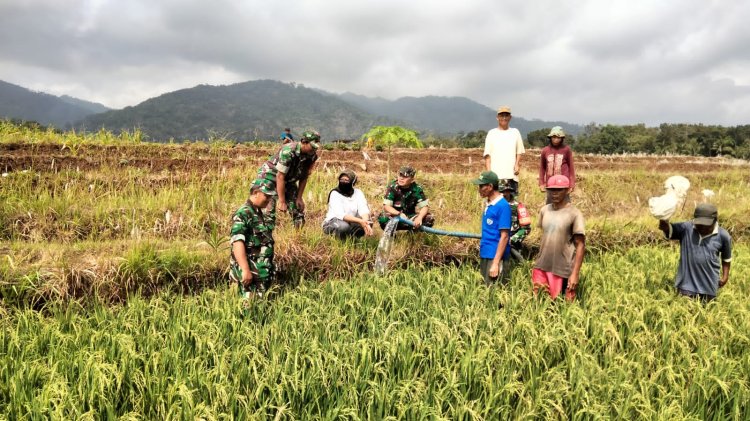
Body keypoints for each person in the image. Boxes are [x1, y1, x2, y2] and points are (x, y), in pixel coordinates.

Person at [658, 203, 732, 302]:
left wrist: (725, 276)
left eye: (705, 225)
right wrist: (664, 224)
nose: (702, 227)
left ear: (715, 221)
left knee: (706, 313)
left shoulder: (723, 235)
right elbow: (670, 230)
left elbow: (726, 258)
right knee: (684, 313)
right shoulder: (686, 228)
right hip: (686, 284)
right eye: (699, 224)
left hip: (709, 285)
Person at [532, 175, 585, 301]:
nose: (554, 193)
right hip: (542, 265)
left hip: (562, 270)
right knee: (539, 304)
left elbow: (581, 245)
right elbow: (545, 237)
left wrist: (575, 274)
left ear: (568, 190)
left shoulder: (574, 213)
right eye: (551, 190)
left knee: (561, 307)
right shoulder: (545, 210)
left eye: (559, 190)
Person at [254, 130, 320, 229]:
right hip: (270, 177)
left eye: (316, 147)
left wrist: (299, 197)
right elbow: (280, 176)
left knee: (297, 210)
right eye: (312, 147)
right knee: (268, 211)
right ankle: (265, 237)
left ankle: (299, 235)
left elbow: (304, 176)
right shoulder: (288, 151)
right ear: (304, 142)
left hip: (289, 180)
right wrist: (282, 201)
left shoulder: (312, 156)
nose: (313, 150)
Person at [229, 182, 277, 299]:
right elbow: (237, 242)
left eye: (270, 197)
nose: (268, 199)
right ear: (256, 193)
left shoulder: (259, 214)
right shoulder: (244, 213)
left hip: (261, 274)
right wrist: (245, 270)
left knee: (260, 313)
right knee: (247, 312)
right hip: (249, 276)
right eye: (266, 196)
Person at [473, 171, 512, 285]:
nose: (479, 189)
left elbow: (504, 237)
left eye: (481, 186)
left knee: (494, 293)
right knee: (485, 289)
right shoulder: (489, 203)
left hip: (494, 256)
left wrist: (495, 263)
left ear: (490, 187)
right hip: (486, 253)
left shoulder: (502, 206)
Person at [377, 165, 435, 230]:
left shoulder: (416, 189)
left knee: (429, 219)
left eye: (405, 176)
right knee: (383, 218)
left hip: (410, 217)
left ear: (412, 179)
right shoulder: (392, 187)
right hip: (395, 216)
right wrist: (399, 214)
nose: (401, 178)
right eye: (400, 175)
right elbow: (387, 206)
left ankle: (412, 235)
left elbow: (425, 206)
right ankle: (391, 236)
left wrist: (420, 218)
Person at [484, 106, 525, 194]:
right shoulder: (492, 133)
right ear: (497, 117)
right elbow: (487, 156)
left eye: (506, 115)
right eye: (501, 115)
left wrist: (517, 164)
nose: (504, 118)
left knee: (512, 205)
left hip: (511, 176)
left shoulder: (515, 132)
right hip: (496, 177)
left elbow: (519, 151)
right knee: (496, 203)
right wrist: (489, 175)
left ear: (510, 117)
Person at [323, 170, 374, 238]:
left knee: (368, 222)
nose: (343, 182)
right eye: (341, 179)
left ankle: (353, 239)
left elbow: (363, 209)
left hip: (351, 222)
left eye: (347, 180)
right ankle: (339, 239)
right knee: (344, 227)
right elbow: (341, 215)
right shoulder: (334, 193)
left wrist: (365, 222)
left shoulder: (358, 193)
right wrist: (360, 221)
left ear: (352, 182)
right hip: (334, 222)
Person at [539, 126, 576, 203]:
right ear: (550, 137)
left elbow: (571, 168)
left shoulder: (566, 149)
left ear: (562, 138)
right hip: (550, 184)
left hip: (563, 184)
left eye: (558, 137)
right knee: (550, 205)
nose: (556, 139)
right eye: (554, 137)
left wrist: (572, 184)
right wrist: (541, 183)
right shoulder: (545, 150)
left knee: (565, 206)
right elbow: (542, 168)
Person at [500, 179, 532, 253]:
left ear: (509, 192)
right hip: (496, 243)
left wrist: (513, 239)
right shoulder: (493, 206)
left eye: (505, 191)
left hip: (513, 246)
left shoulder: (519, 206)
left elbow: (526, 229)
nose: (503, 194)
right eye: (500, 191)